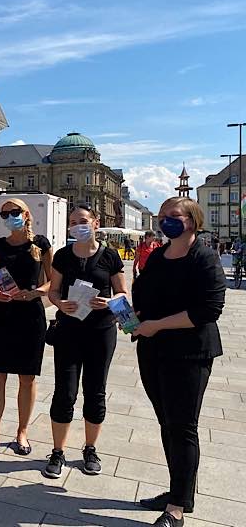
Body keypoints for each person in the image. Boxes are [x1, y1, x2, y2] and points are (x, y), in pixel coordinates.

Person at [132, 198, 225, 527]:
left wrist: (156, 325)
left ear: (193, 220)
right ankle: (178, 491)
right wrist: (134, 315)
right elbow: (142, 293)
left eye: (173, 216)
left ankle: (176, 509)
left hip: (189, 353)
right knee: (167, 424)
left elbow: (208, 311)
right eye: (162, 216)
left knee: (183, 427)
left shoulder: (205, 259)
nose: (164, 221)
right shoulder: (158, 255)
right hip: (153, 350)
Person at [43, 204, 127, 479]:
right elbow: (53, 291)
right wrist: (60, 302)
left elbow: (123, 294)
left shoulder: (110, 256)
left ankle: (90, 449)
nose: (77, 225)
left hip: (101, 331)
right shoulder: (63, 256)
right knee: (64, 392)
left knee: (95, 391)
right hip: (69, 330)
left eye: (82, 221)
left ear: (95, 223)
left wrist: (110, 302)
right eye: (72, 222)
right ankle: (57, 451)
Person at [0, 198, 52, 459]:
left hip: (31, 315)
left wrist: (34, 294)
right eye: (5, 213)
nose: (10, 216)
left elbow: (52, 282)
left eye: (14, 212)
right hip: (3, 314)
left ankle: (22, 431)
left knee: (27, 377)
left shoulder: (40, 244)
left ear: (26, 214)